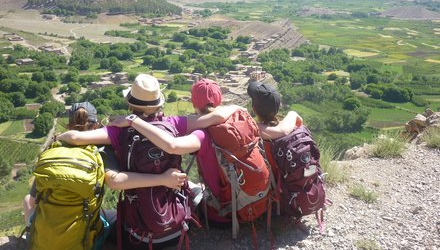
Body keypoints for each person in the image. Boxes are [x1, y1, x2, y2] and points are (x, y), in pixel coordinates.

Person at [56, 74, 240, 249]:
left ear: (131, 103)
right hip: (179, 227)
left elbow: (76, 138)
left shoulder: (117, 132)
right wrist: (238, 108)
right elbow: (216, 117)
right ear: (158, 103)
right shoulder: (175, 123)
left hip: (139, 237)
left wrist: (58, 136)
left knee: (105, 218)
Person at [109, 78, 302, 227]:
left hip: (222, 216)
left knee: (189, 187)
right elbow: (277, 132)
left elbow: (173, 146)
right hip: (257, 203)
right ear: (220, 100)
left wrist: (134, 121)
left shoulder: (201, 134)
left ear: (194, 104)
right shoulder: (241, 121)